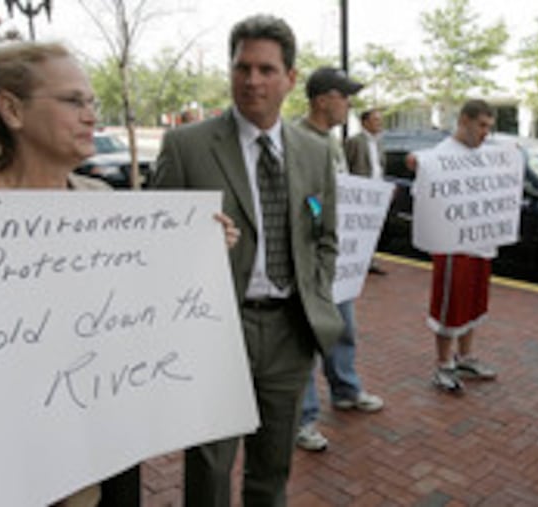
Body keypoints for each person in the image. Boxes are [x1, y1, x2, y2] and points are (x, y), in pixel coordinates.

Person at [0, 41, 245, 507]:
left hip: (103, 461)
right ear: (12, 109)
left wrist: (196, 256)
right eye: (73, 101)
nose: (91, 115)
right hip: (3, 472)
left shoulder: (106, 203)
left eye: (91, 101)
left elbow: (141, 318)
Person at [153, 14, 345, 507]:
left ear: (290, 79)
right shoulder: (186, 146)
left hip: (289, 330)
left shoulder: (315, 150)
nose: (252, 81)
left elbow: (324, 236)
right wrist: (190, 243)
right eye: (242, 68)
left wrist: (315, 293)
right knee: (210, 469)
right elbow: (152, 244)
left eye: (265, 69)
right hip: (217, 328)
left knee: (272, 467)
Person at [294, 67, 383, 452]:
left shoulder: (332, 141)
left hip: (339, 256)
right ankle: (303, 419)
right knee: (306, 337)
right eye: (343, 96)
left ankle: (346, 390)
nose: (348, 104)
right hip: (310, 258)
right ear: (322, 99)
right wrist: (320, 212)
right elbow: (304, 198)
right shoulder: (296, 139)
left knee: (343, 326)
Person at [406, 99, 499, 394]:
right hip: (452, 245)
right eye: (482, 125)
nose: (486, 133)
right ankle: (443, 364)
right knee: (450, 305)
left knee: (474, 302)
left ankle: (465, 357)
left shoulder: (487, 155)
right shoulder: (441, 155)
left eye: (489, 127)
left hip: (481, 242)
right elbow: (423, 196)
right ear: (464, 122)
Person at [345, 108, 388, 275]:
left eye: (380, 120)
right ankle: (357, 261)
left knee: (373, 228)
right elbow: (346, 166)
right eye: (375, 120)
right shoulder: (354, 141)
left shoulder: (379, 142)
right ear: (365, 122)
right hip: (360, 193)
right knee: (358, 229)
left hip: (377, 192)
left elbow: (381, 166)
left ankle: (369, 260)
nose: (379, 123)